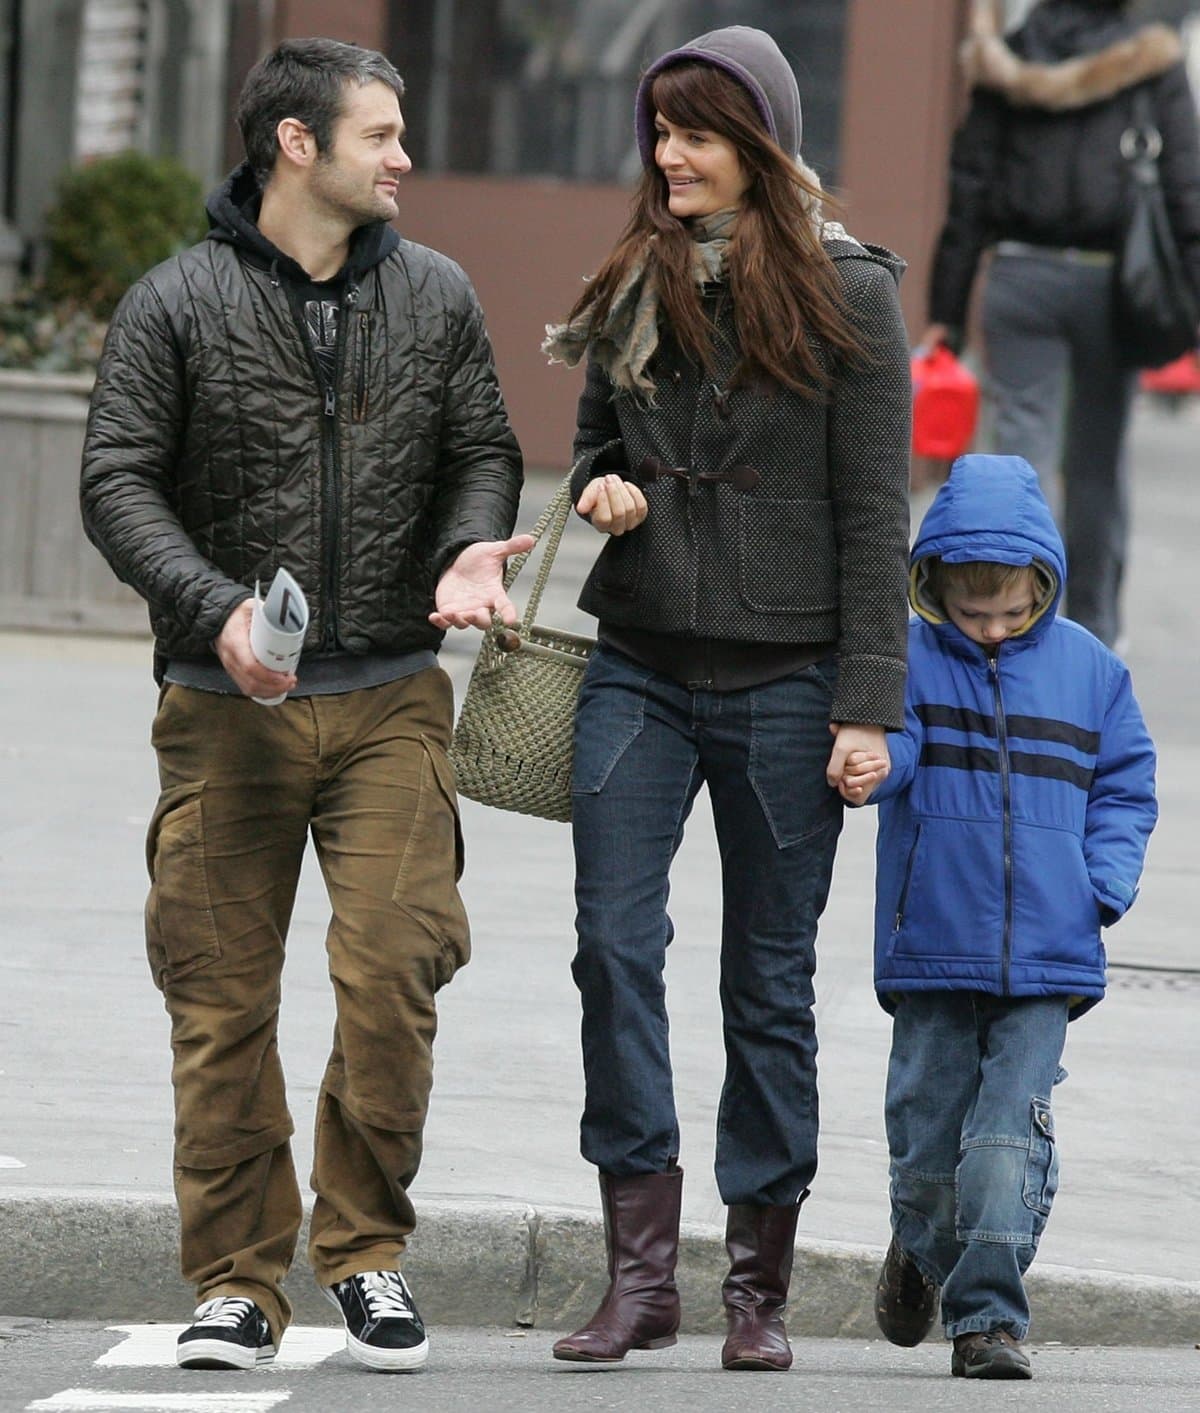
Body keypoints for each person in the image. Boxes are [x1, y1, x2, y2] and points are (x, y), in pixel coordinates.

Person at [80, 38, 529, 1374]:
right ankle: (234, 1282)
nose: (403, 158)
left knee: (394, 968)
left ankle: (368, 1254)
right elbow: (115, 481)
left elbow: (485, 445)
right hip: (223, 706)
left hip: (394, 692)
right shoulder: (177, 301)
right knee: (220, 999)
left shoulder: (437, 294)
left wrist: (467, 542)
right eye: (379, 135)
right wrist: (212, 604)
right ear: (296, 144)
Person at [541, 24, 912, 1371]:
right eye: (660, 129)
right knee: (609, 946)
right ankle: (641, 1277)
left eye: (696, 131)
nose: (670, 153)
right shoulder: (635, 274)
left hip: (790, 674)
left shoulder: (851, 290)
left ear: (760, 145)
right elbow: (591, 441)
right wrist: (602, 487)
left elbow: (879, 516)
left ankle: (755, 1294)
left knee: (767, 984)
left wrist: (869, 703)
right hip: (638, 659)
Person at [841, 453, 1157, 1380]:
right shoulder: (907, 658)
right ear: (932, 583)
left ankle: (987, 1320)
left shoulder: (1092, 674)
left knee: (1005, 1141)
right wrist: (874, 767)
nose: (988, 628)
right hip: (933, 945)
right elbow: (893, 742)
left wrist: (1099, 885)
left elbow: (1127, 790)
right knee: (928, 1139)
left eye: (1009, 610)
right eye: (969, 611)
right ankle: (919, 1245)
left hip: (1050, 958)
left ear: (1043, 585)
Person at [921, 0, 1200, 649]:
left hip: (1021, 276)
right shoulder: (1150, 58)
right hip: (1115, 284)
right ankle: (1096, 631)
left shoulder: (1007, 54)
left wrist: (947, 312)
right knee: (1099, 462)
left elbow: (970, 190)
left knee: (1024, 455)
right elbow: (1187, 188)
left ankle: (1012, 623)